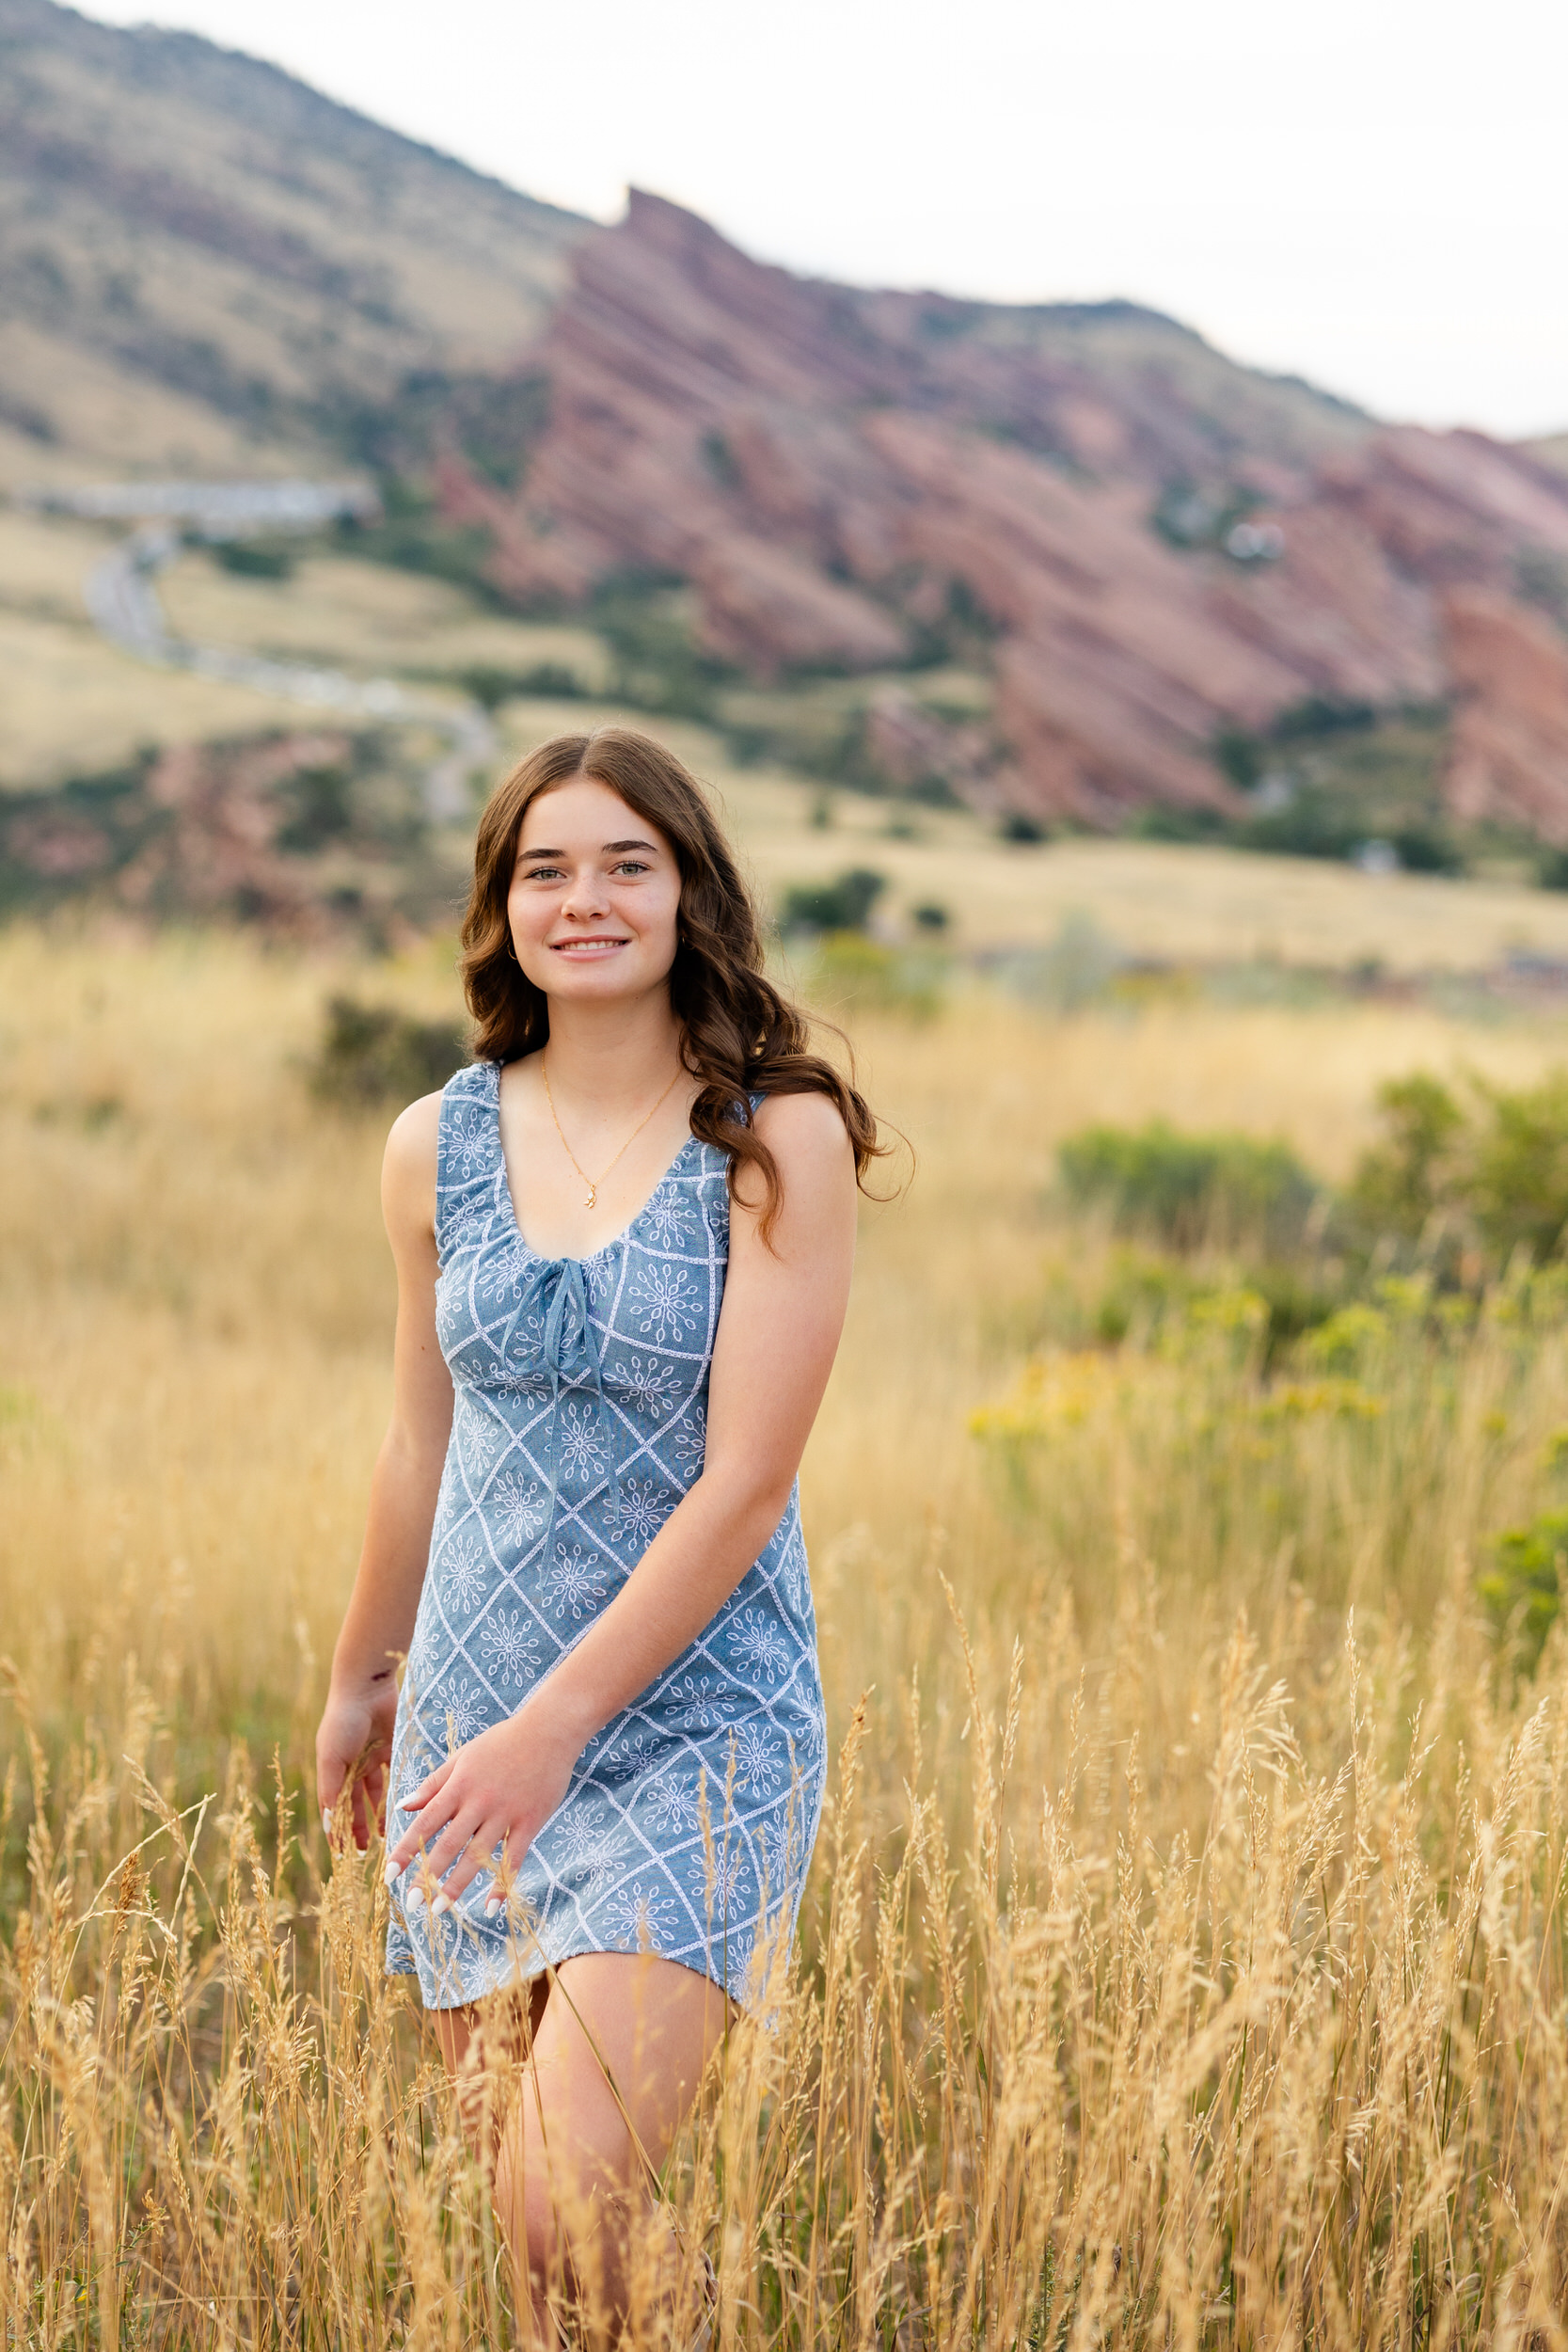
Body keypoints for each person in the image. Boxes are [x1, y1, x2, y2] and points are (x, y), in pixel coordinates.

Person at [315, 727, 882, 2342]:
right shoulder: (438, 1141)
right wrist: (367, 1678)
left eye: (628, 863)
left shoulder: (778, 1136)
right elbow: (422, 1436)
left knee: (566, 2193)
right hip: (467, 1728)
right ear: (500, 910)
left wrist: (555, 1734)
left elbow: (746, 1487)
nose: (587, 899)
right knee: (556, 2257)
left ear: (690, 891)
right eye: (545, 868)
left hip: (692, 1725)